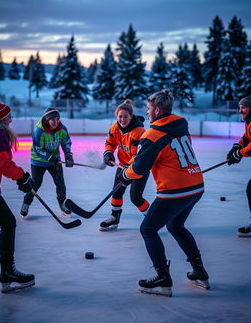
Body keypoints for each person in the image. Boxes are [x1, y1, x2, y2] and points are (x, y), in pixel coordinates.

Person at [118, 89, 209, 296]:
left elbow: (140, 170)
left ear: (157, 110)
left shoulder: (153, 133)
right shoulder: (179, 126)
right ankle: (199, 272)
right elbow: (153, 155)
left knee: (148, 229)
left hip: (175, 191)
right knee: (176, 225)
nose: (147, 113)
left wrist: (125, 175)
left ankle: (162, 278)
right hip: (196, 186)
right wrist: (134, 162)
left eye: (149, 109)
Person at [0, 102, 35, 293]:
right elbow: (3, 162)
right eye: (9, 116)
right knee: (8, 223)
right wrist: (22, 177)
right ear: (2, 118)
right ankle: (8, 271)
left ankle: (7, 271)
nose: (11, 120)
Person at [100, 99, 149, 231]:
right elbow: (110, 142)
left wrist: (128, 167)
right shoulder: (115, 127)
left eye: (125, 116)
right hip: (123, 166)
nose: (122, 119)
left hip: (139, 168)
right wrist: (108, 153)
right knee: (116, 193)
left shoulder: (139, 132)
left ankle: (152, 219)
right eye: (120, 116)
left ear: (131, 116)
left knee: (136, 198)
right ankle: (115, 218)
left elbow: (138, 156)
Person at [20, 108, 74, 218]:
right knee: (36, 184)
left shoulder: (62, 129)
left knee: (60, 183)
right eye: (53, 119)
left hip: (54, 160)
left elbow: (66, 142)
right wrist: (49, 157)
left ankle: (62, 204)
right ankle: (26, 202)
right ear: (47, 120)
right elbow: (37, 148)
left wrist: (68, 155)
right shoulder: (39, 131)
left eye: (58, 119)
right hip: (38, 161)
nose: (56, 122)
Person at [226, 94, 251, 236]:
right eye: (239, 107)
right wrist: (237, 146)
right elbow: (247, 137)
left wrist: (240, 153)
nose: (240, 110)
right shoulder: (249, 121)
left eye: (244, 107)